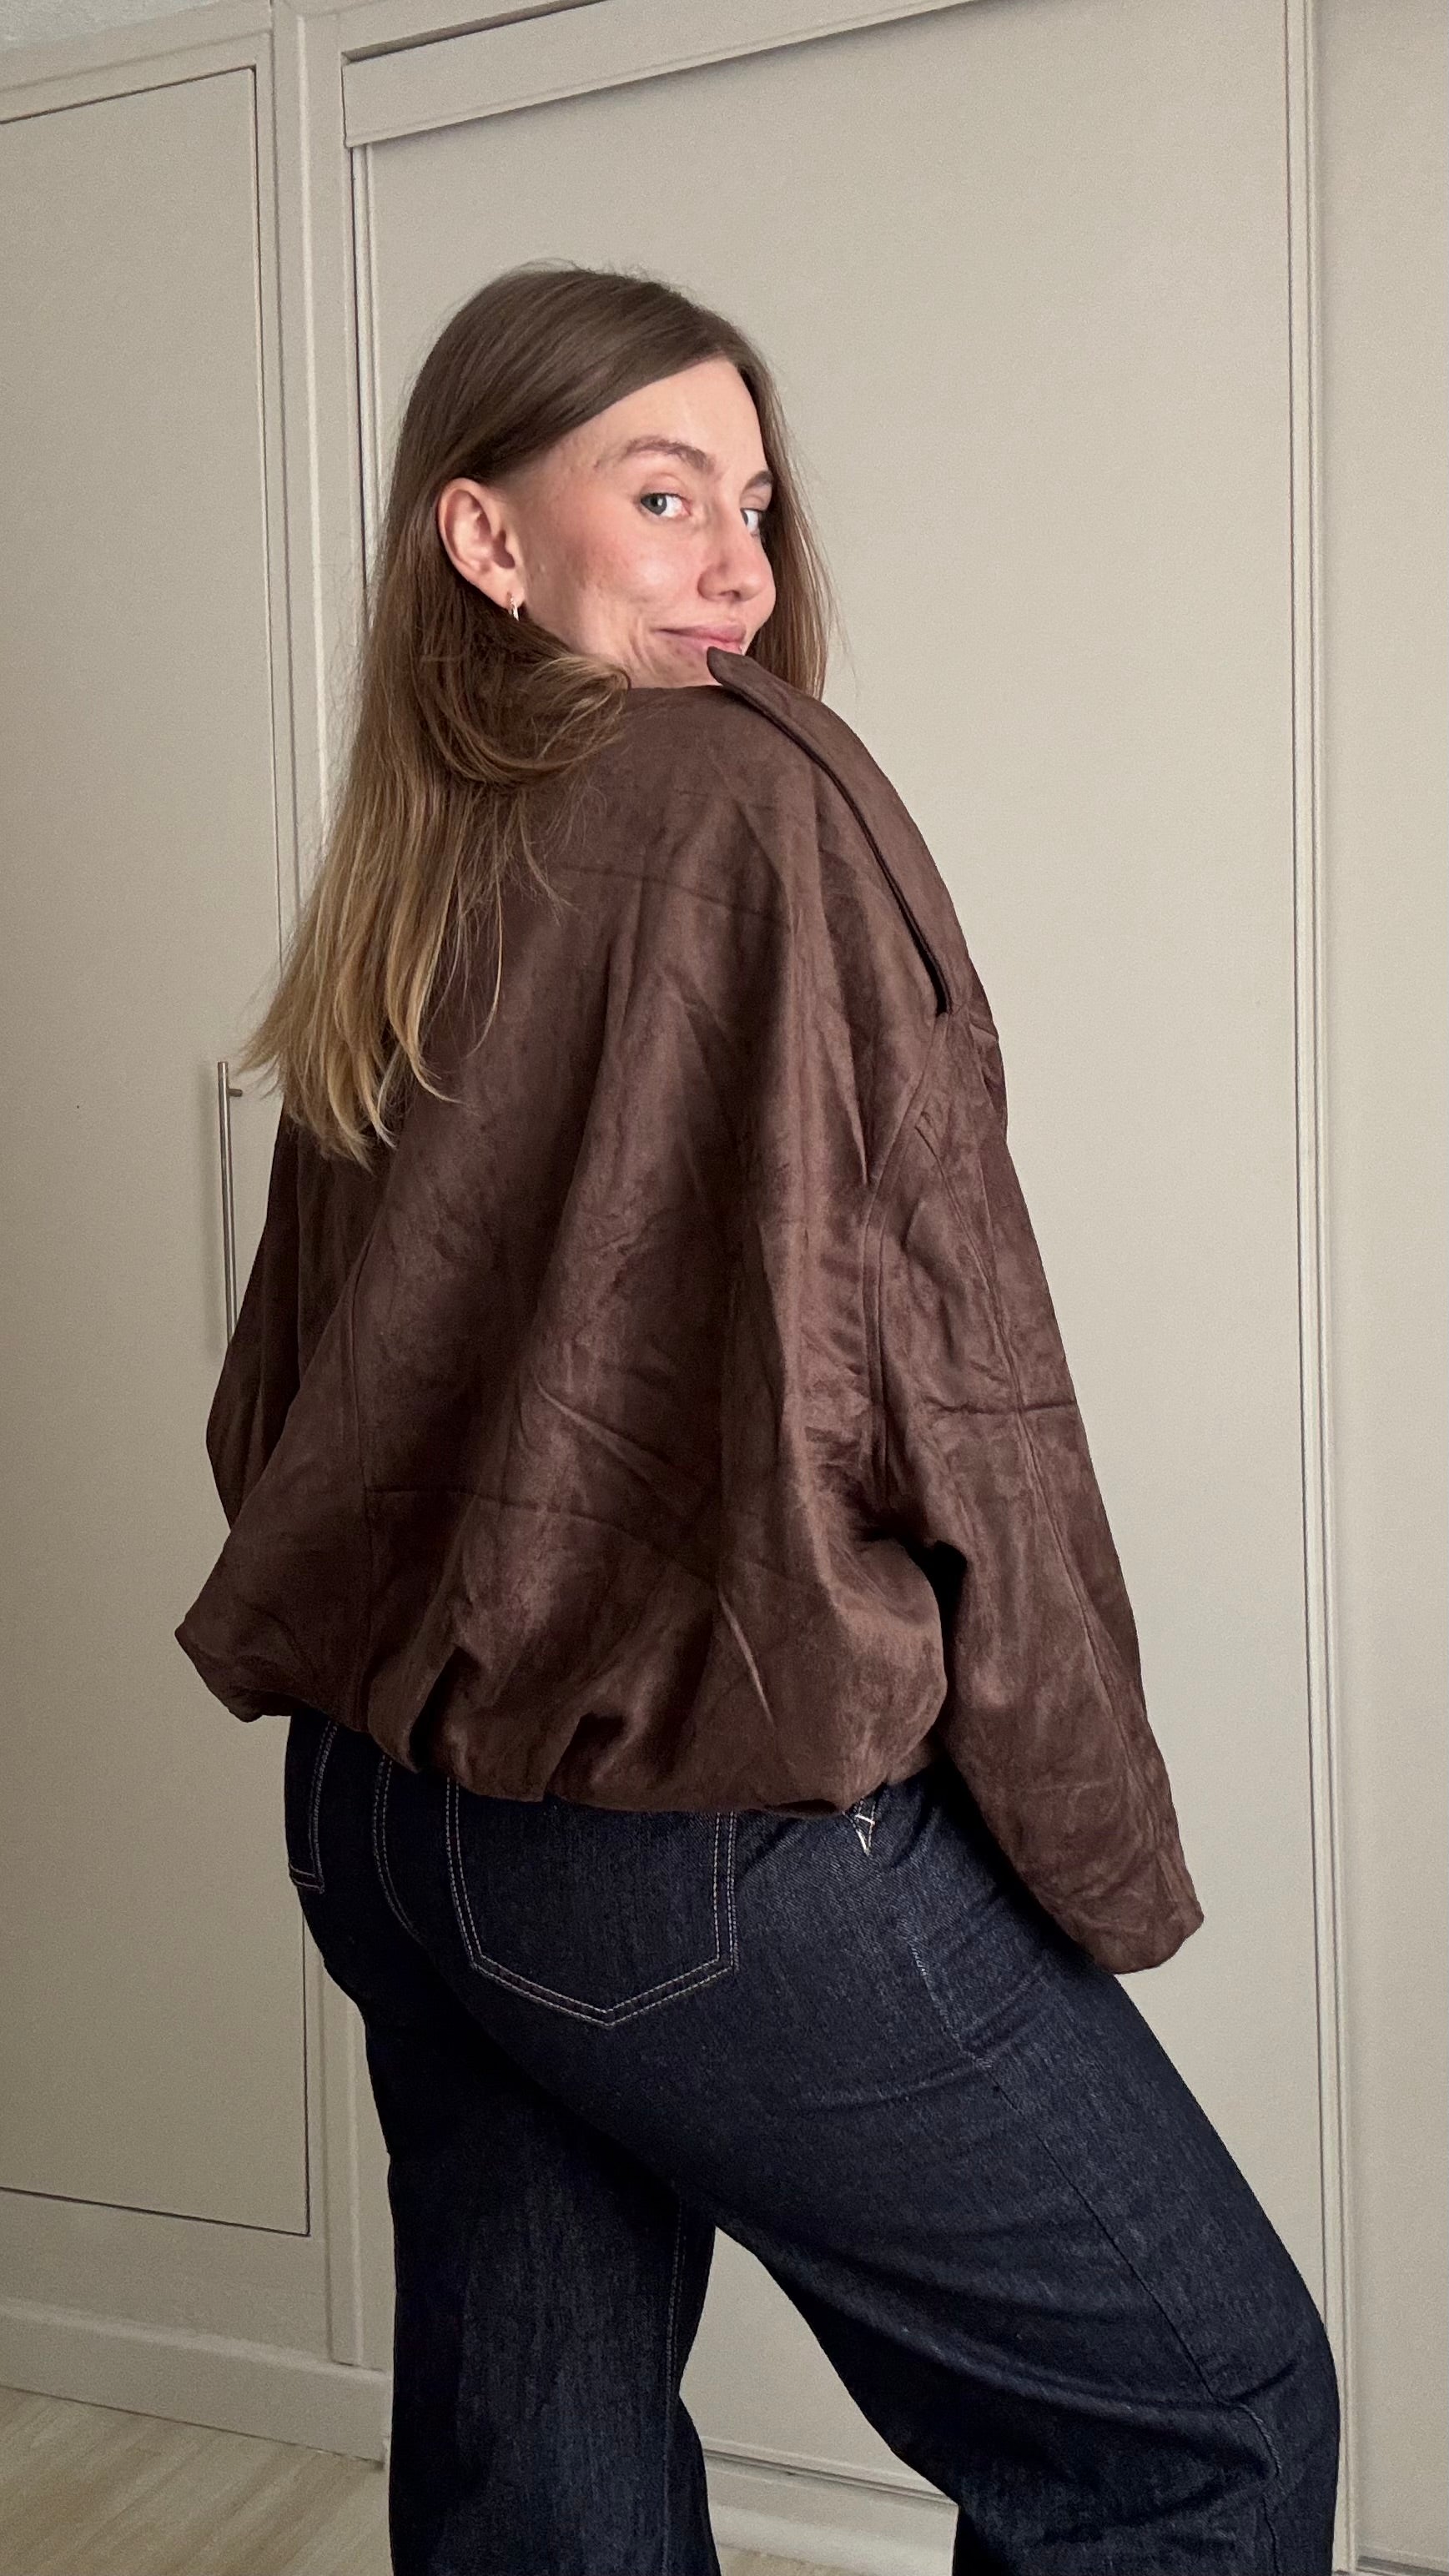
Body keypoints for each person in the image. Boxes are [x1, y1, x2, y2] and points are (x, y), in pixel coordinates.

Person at [175, 261, 1339, 2575]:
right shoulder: (758, 793)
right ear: (485, 537)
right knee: (1205, 2425)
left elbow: (279, 1409)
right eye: (663, 494)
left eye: (757, 503)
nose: (738, 565)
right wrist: (1093, 1842)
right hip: (681, 1837)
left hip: (391, 1822)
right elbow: (958, 1368)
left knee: (546, 2485)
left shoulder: (407, 860)